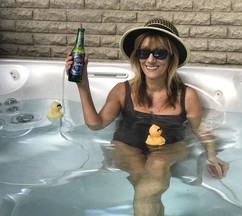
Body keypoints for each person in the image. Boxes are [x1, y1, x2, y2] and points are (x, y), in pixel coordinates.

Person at [65, 18, 229, 216]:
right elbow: (95, 124)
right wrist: (82, 83)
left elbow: (199, 129)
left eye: (159, 53)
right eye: (144, 52)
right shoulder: (122, 91)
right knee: (145, 184)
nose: (150, 60)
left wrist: (212, 154)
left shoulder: (187, 96)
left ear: (171, 58)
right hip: (127, 145)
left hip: (170, 147)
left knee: (157, 165)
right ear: (137, 57)